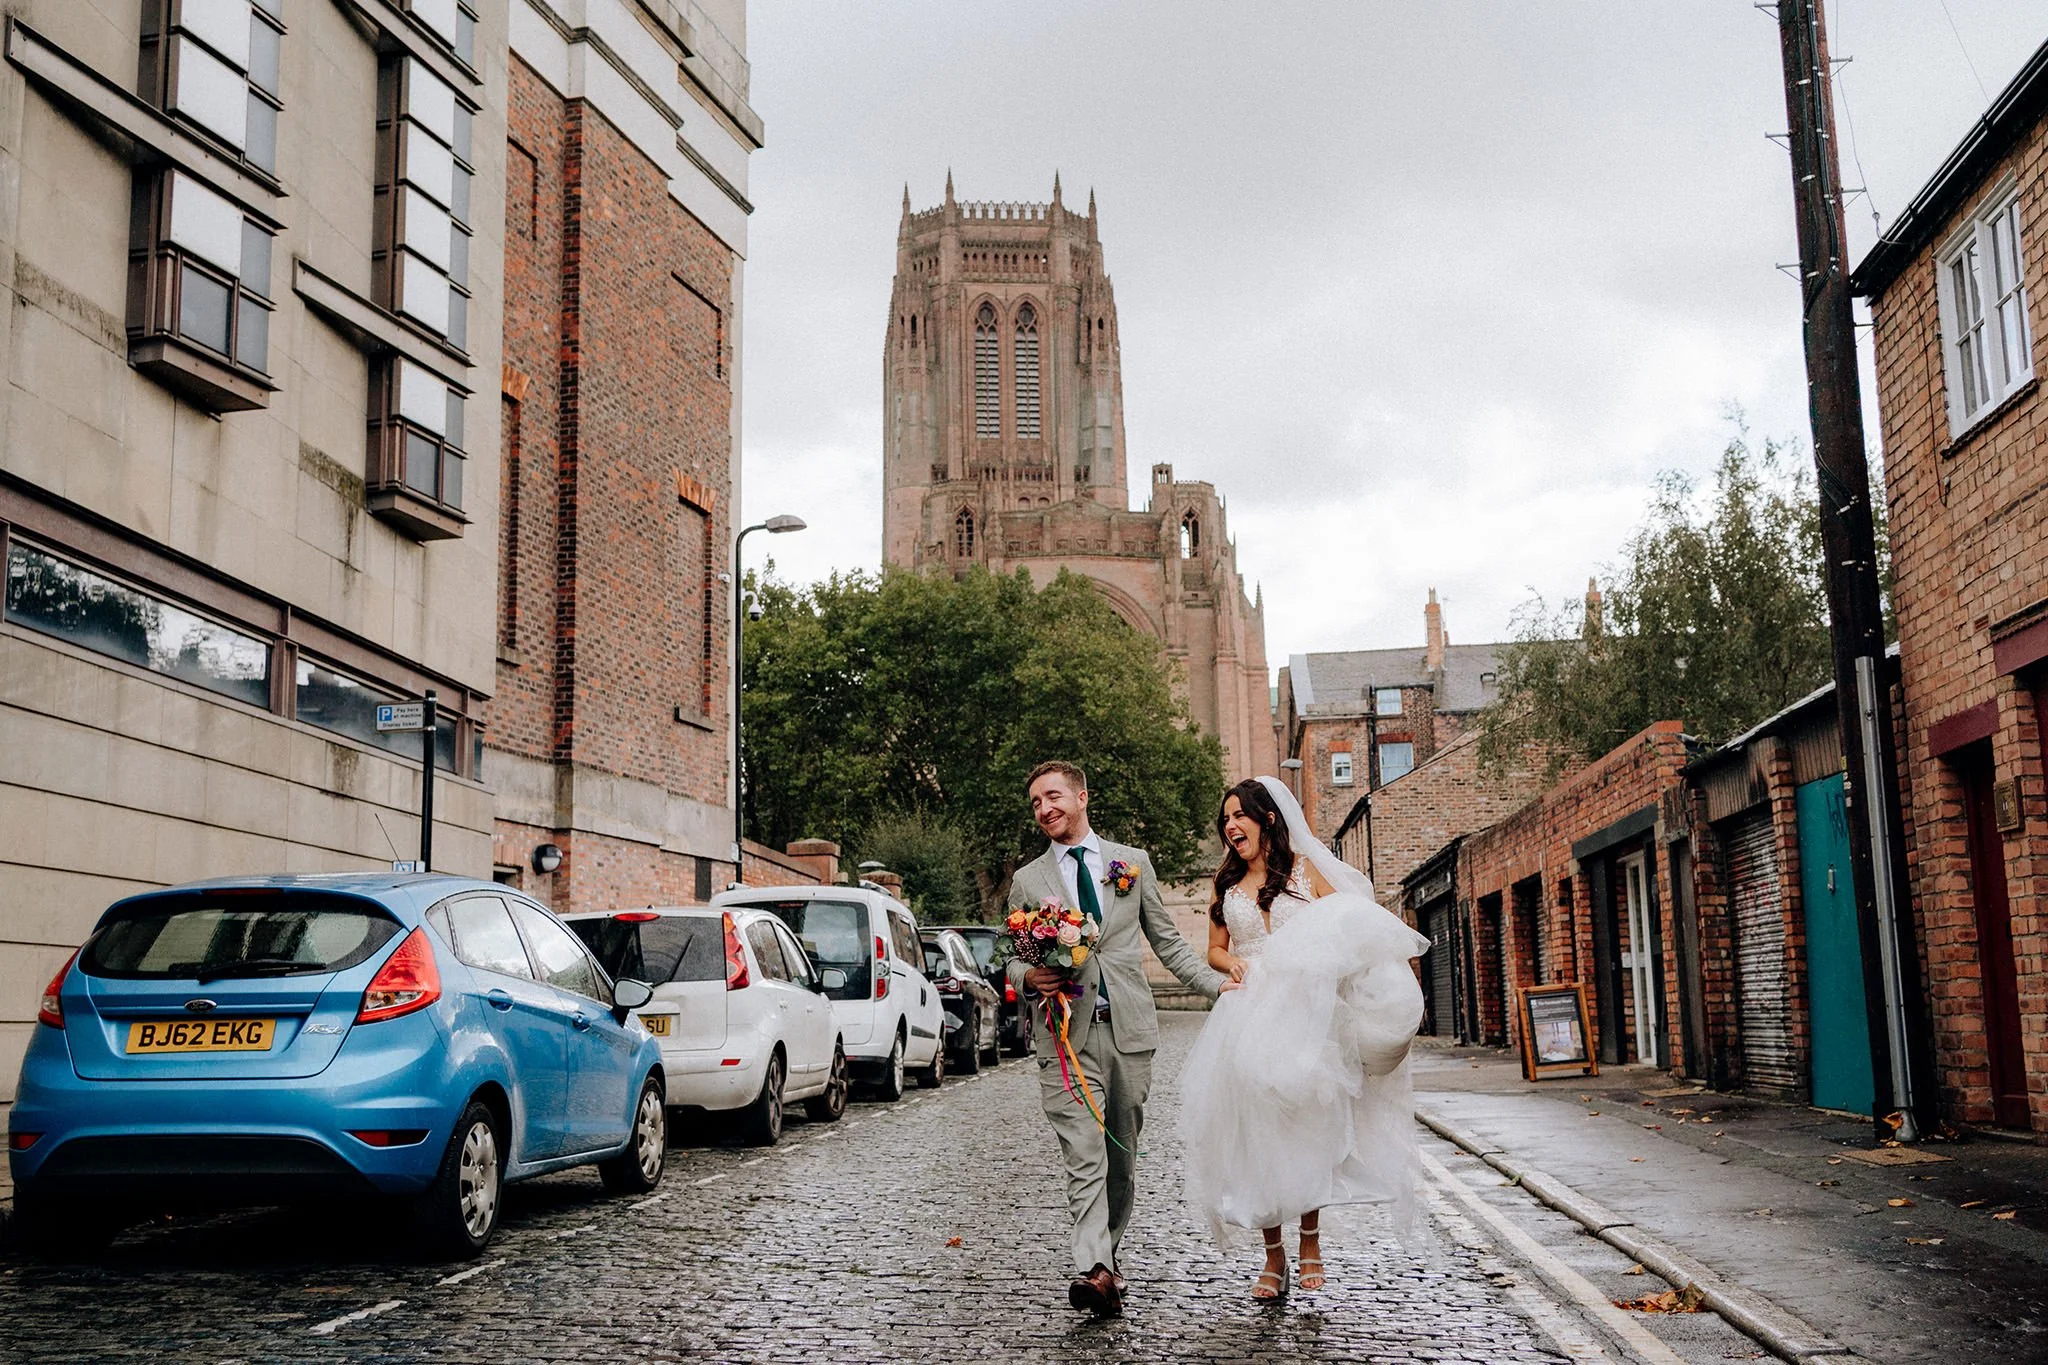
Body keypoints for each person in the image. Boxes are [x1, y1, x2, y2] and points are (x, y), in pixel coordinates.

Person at [1178, 776, 1430, 1302]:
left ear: (1267, 819)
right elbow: (1214, 949)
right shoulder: (1226, 884)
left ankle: (1310, 1239)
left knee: (1307, 1127)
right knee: (1259, 1134)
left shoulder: (1306, 871)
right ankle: (1273, 1255)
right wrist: (1233, 963)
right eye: (1225, 819)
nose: (1230, 826)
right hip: (1247, 1014)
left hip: (1306, 1016)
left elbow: (1348, 929)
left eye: (1238, 816)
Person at [1005, 760, 1238, 1318]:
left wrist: (1219, 986)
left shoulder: (1130, 864)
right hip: (1065, 1036)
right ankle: (1093, 1267)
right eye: (1036, 803)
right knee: (1083, 1152)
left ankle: (1107, 1261)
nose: (1044, 809)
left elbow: (1169, 942)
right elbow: (1011, 956)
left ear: (1082, 797)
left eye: (1053, 796)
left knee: (1119, 1157)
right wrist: (1027, 976)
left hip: (1128, 1033)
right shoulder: (1027, 880)